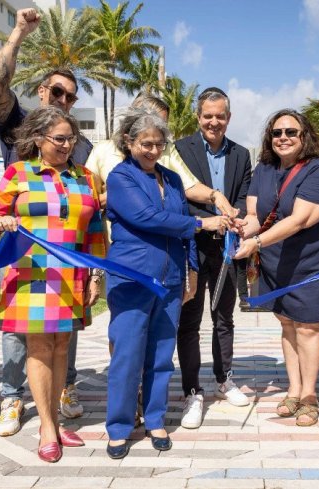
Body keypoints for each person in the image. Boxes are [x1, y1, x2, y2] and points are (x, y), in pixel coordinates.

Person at [0, 7, 93, 435]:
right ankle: (13, 398)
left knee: (65, 334)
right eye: (57, 91)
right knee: (19, 335)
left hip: (67, 261)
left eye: (71, 96)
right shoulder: (19, 125)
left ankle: (63, 388)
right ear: (42, 90)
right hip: (24, 256)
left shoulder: (78, 147)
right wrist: (17, 33)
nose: (63, 100)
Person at [0, 106, 105, 463]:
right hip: (30, 272)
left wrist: (96, 275)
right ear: (39, 139)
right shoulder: (19, 172)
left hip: (72, 273)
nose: (67, 145)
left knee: (62, 345)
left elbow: (94, 231)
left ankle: (54, 419)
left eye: (72, 139)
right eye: (60, 139)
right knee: (39, 348)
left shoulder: (87, 177)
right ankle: (47, 427)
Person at [104, 108, 228, 459]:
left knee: (161, 355)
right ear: (128, 142)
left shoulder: (172, 179)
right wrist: (204, 225)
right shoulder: (120, 177)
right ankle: (119, 426)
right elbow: (147, 218)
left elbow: (183, 228)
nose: (153, 151)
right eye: (145, 144)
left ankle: (155, 419)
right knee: (127, 355)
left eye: (159, 144)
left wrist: (189, 272)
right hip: (132, 279)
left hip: (171, 279)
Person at [232, 109, 319, 427]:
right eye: (277, 133)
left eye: (291, 132)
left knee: (309, 327)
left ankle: (309, 395)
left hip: (312, 265)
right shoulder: (264, 168)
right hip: (276, 263)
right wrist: (239, 229)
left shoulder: (317, 170)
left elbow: (299, 219)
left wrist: (257, 243)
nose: (283, 138)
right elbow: (254, 215)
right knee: (288, 326)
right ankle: (293, 390)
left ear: (304, 136)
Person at [175, 87, 253, 430]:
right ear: (198, 117)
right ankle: (192, 390)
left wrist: (236, 218)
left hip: (227, 250)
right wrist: (209, 218)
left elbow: (242, 195)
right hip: (193, 246)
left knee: (224, 318)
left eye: (220, 116)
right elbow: (180, 196)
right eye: (208, 115)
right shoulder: (181, 149)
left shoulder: (241, 154)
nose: (214, 121)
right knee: (189, 321)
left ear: (229, 118)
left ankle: (225, 379)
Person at [86, 93, 236, 216]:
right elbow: (84, 201)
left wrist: (215, 196)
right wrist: (121, 194)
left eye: (162, 125)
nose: (157, 129)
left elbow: (189, 186)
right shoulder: (102, 151)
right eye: (152, 120)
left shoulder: (167, 149)